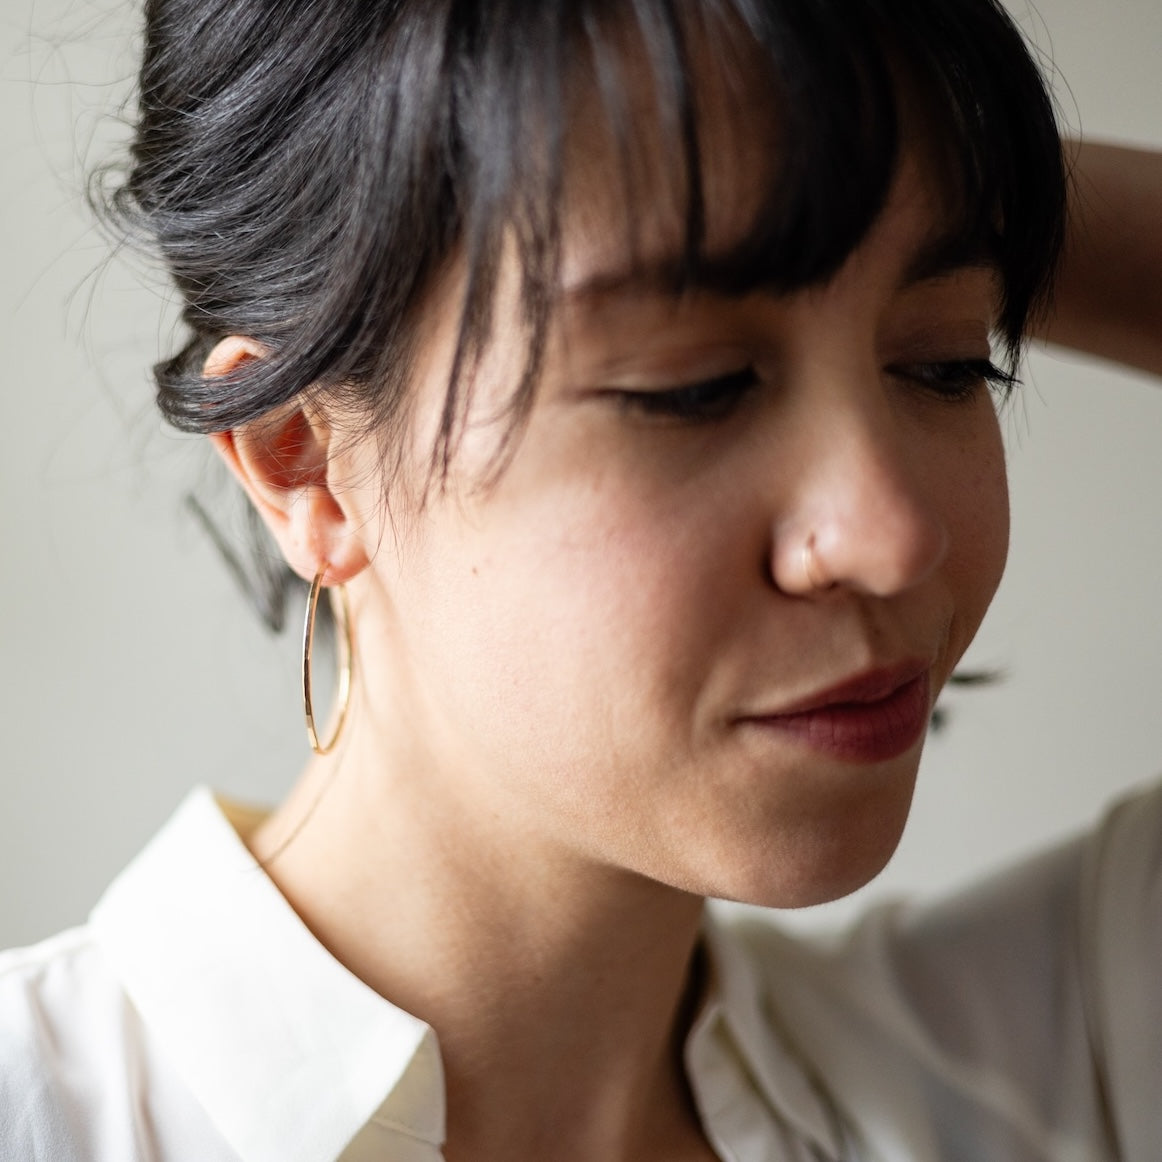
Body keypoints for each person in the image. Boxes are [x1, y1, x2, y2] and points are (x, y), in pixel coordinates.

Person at [2, 1, 1160, 1160]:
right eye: (697, 388)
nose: (892, 533)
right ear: (309, 463)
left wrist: (860, 146)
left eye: (946, 361)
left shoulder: (1046, 1069)